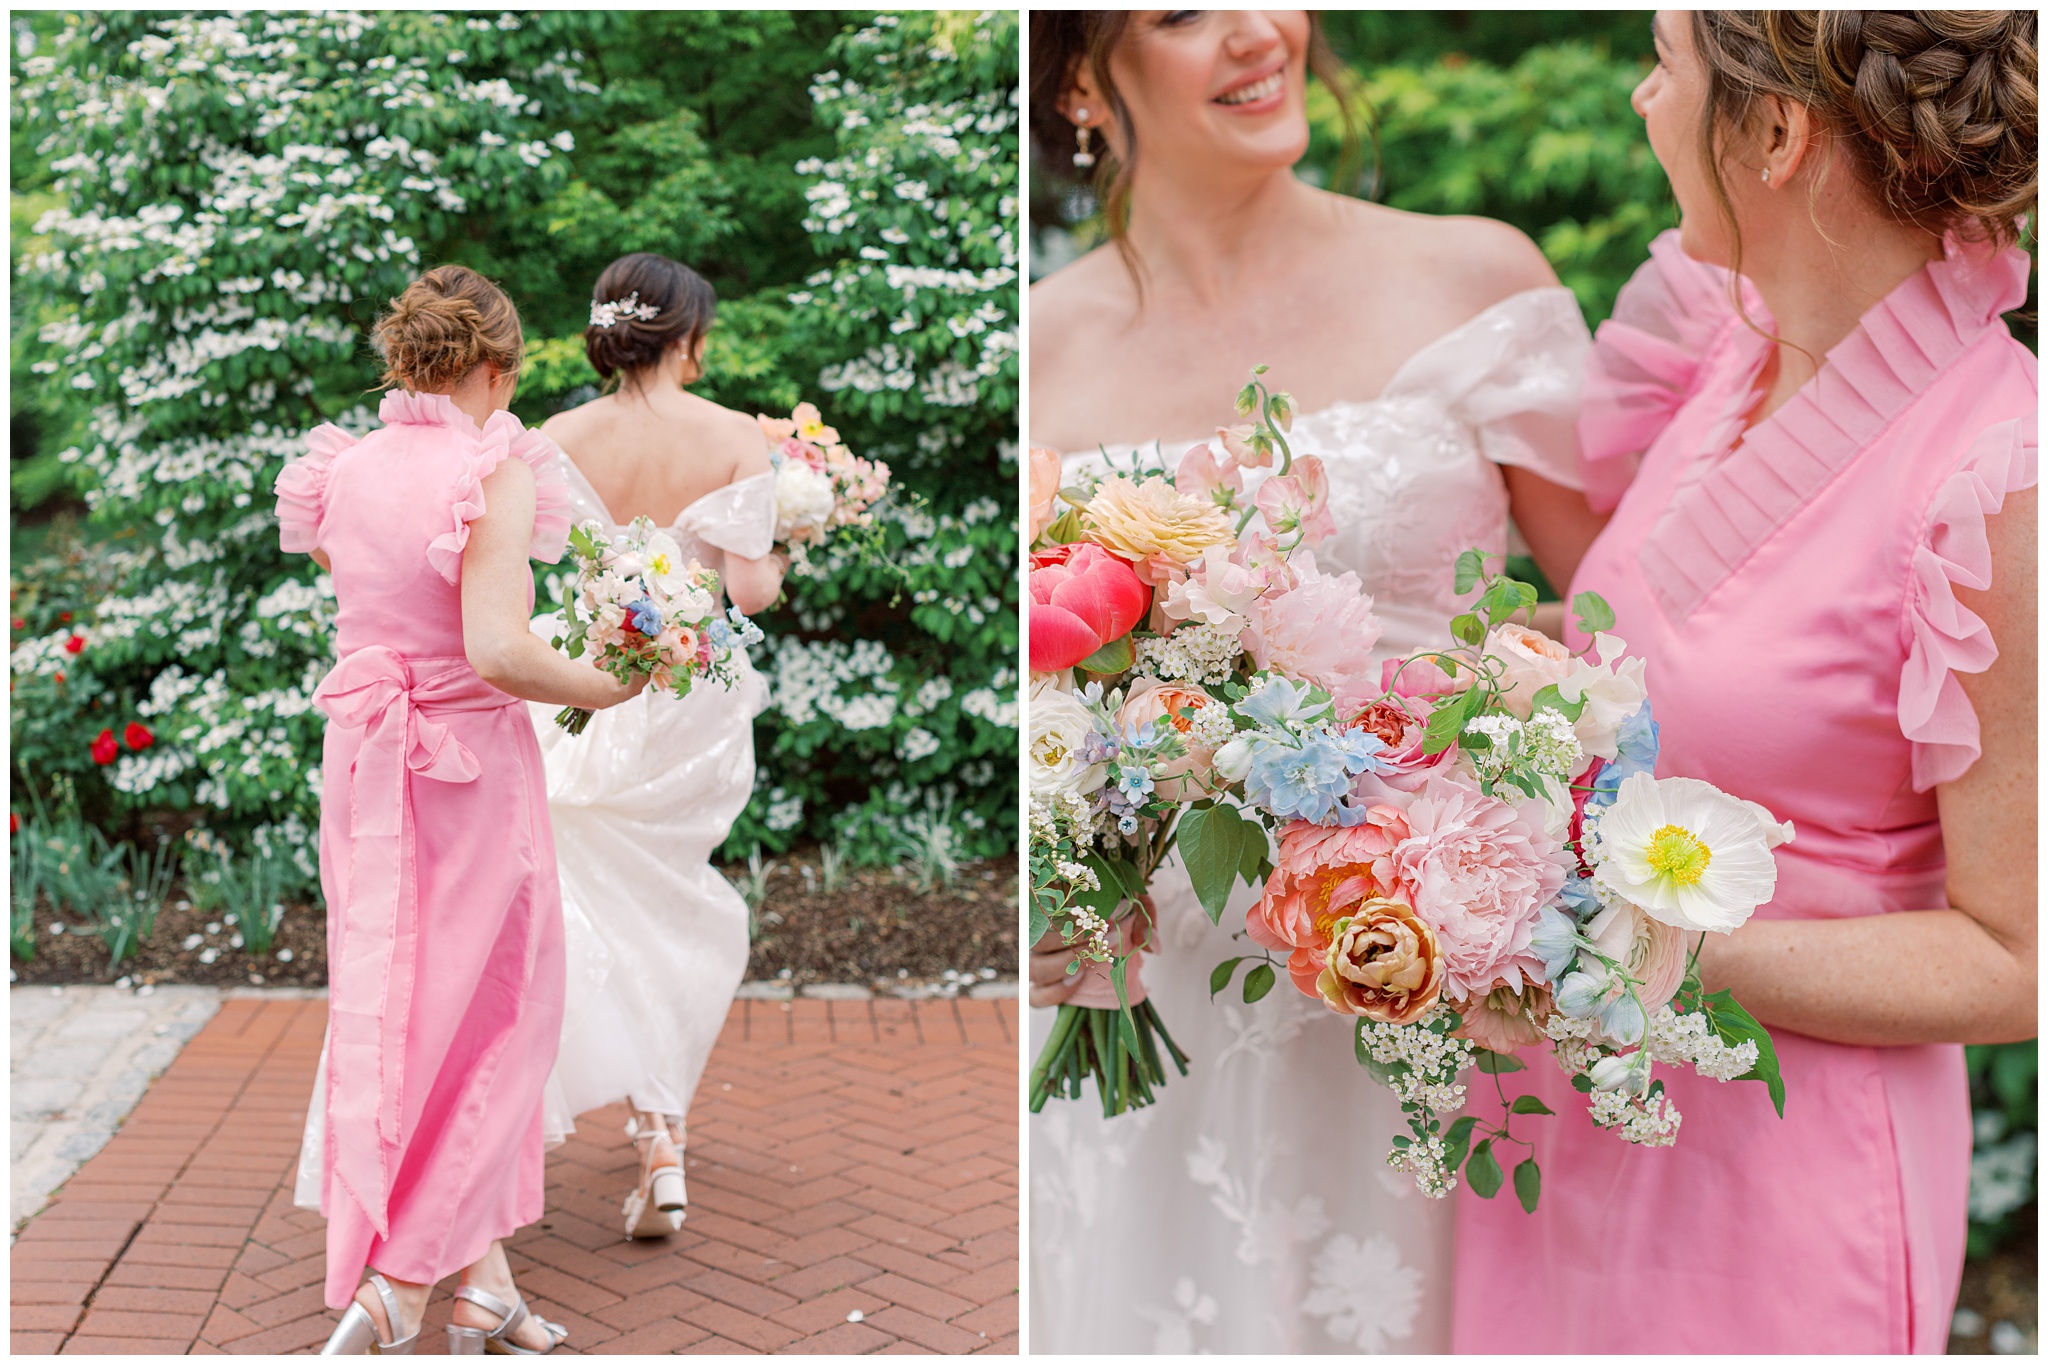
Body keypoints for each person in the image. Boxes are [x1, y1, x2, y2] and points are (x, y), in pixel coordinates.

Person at [1025, 11, 1609, 1352]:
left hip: (1434, 1008)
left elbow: (1627, 632)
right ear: (1079, 79)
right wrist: (1035, 882)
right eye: (1180, 12)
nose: (1258, 31)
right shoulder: (1040, 349)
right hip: (1150, 1019)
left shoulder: (1475, 282)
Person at [1454, 11, 2036, 1353]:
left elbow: (2018, 962)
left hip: (1782, 1181)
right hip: (1565, 1147)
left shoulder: (1996, 478)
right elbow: (1675, 653)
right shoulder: (1727, 352)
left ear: (1774, 132)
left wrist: (1634, 951)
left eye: (1666, 62)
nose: (1646, 98)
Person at [279, 265, 642, 1354]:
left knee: (403, 1020)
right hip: (465, 769)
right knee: (502, 1020)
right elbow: (494, 648)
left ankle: (487, 1290)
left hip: (364, 762)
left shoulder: (341, 469)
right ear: (496, 366)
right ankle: (398, 1282)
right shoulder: (494, 467)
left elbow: (378, 611)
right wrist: (614, 682)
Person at [531, 252, 787, 1239]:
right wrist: (776, 535)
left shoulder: (556, 436)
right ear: (686, 337)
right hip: (691, 692)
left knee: (599, 900)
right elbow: (752, 594)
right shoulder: (731, 435)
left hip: (582, 684)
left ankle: (644, 1121)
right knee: (676, 902)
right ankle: (660, 1130)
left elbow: (536, 561)